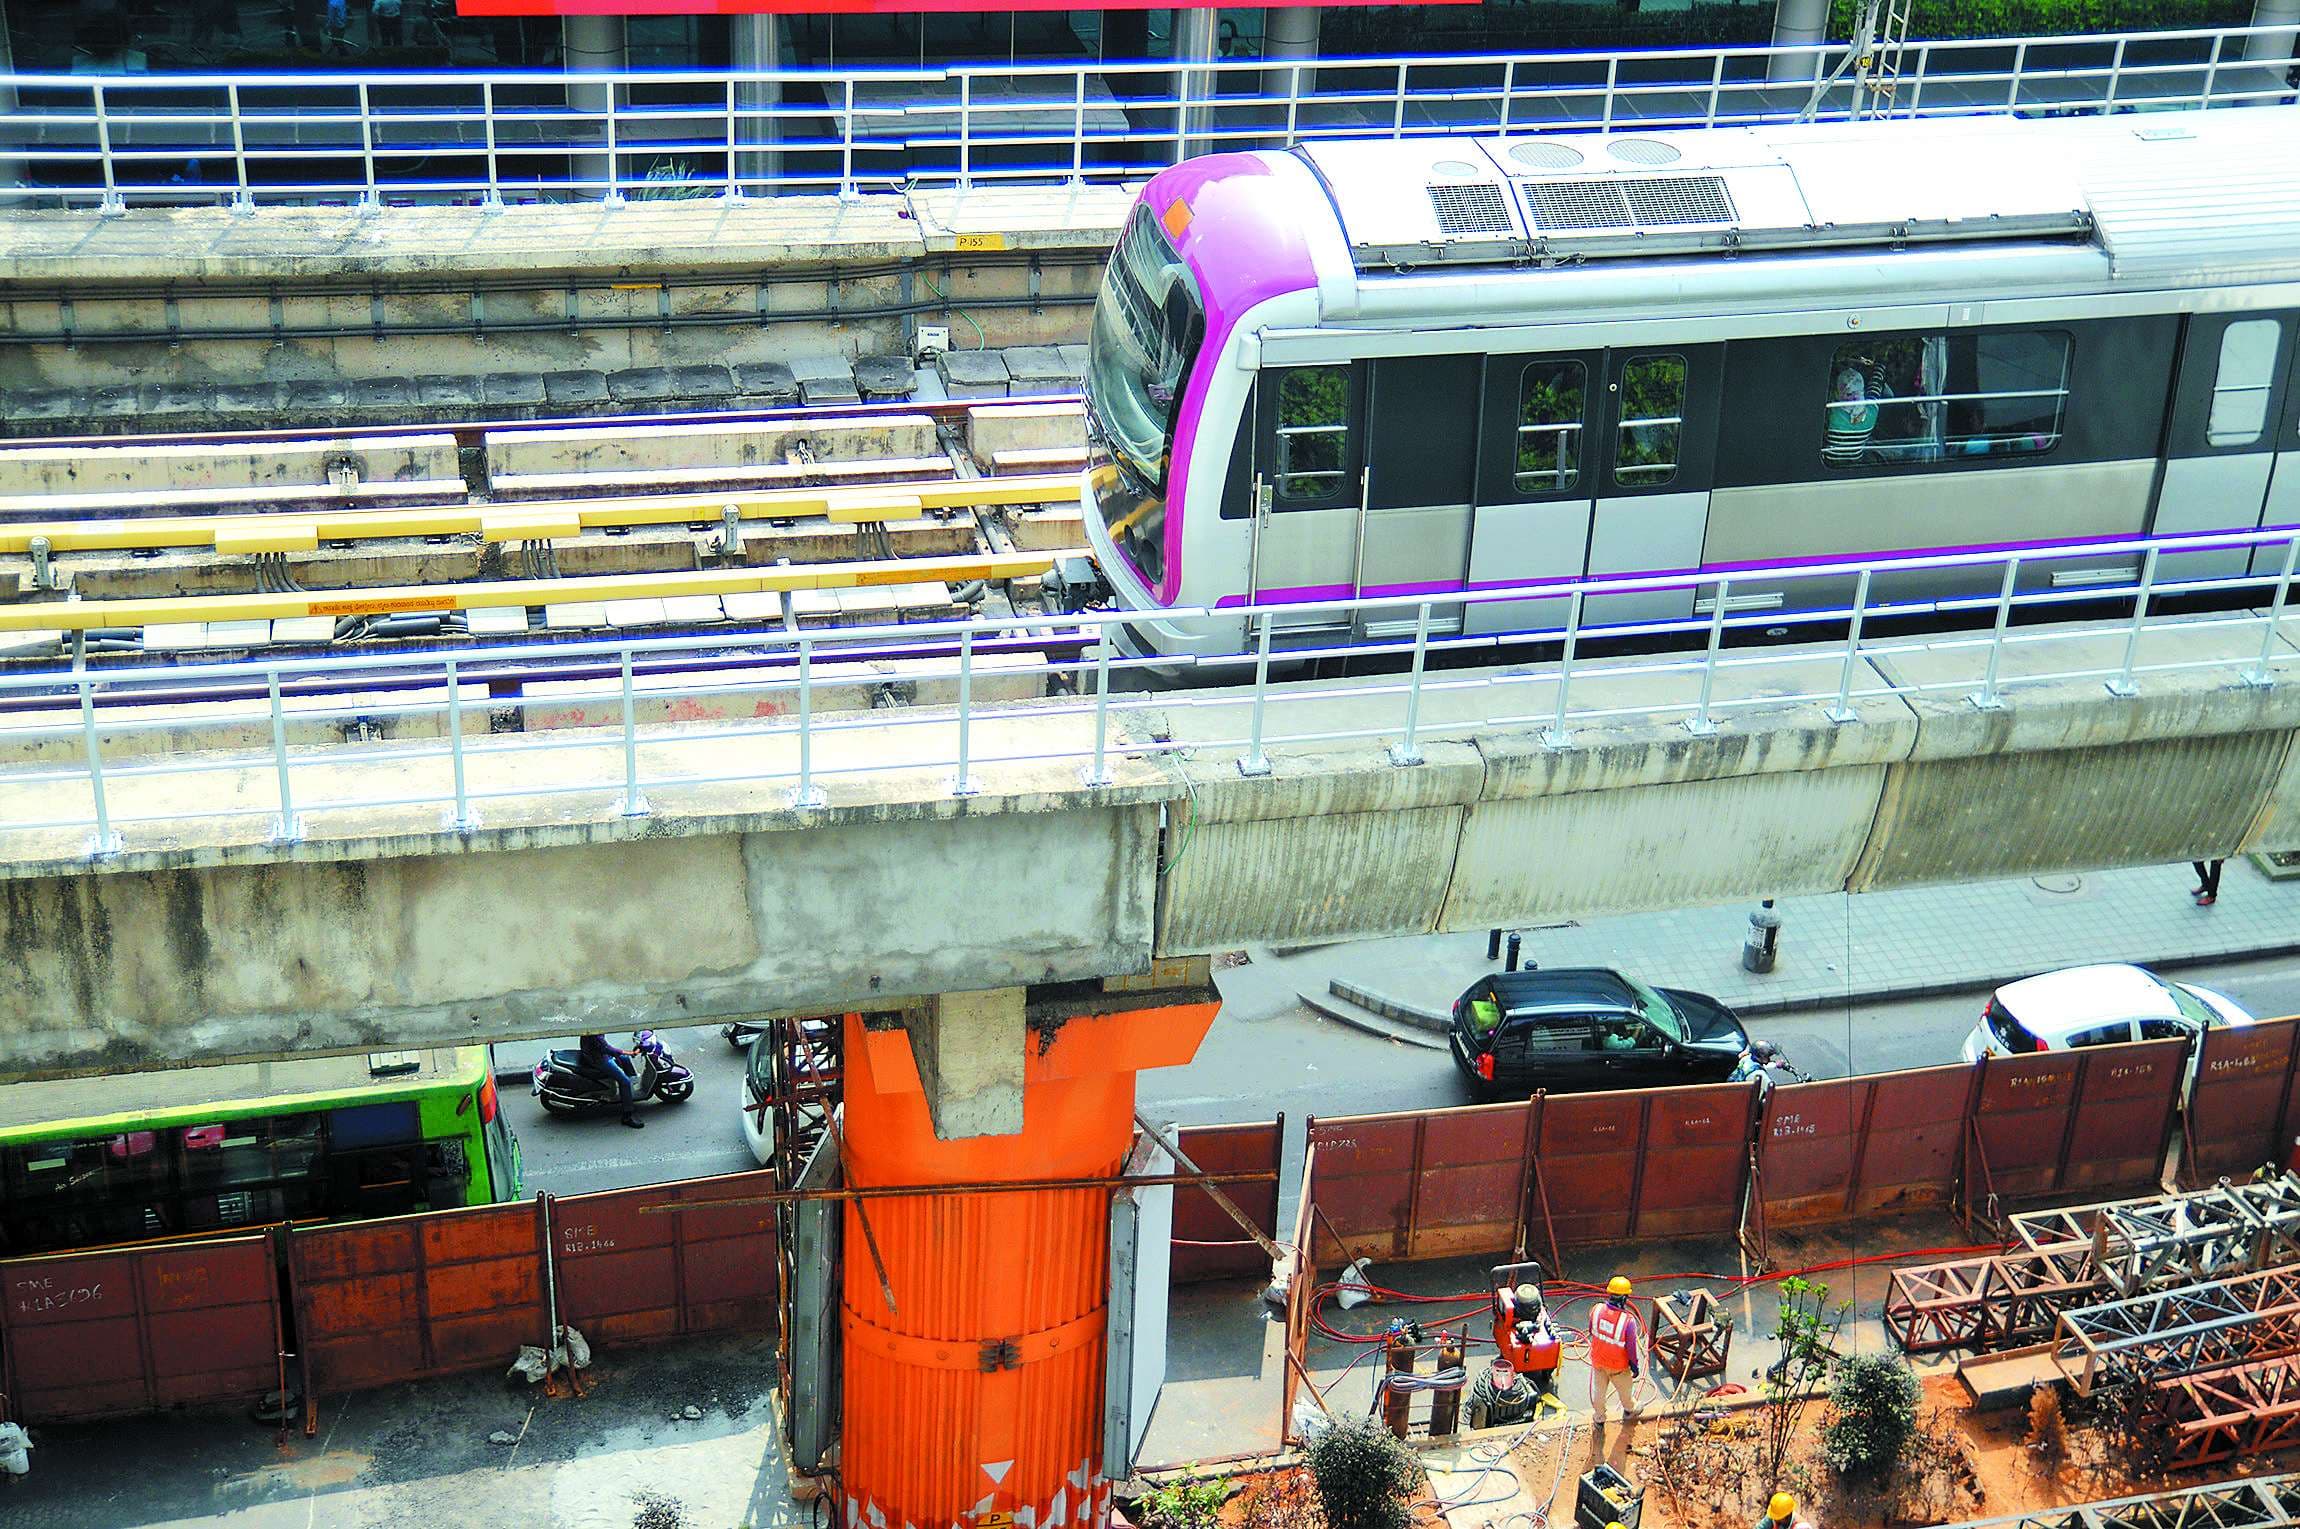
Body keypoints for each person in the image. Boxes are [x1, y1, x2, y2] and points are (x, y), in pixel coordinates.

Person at [1587, 1275, 1643, 1428]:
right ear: (1625, 1298)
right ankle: (1630, 1409)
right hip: (1618, 1367)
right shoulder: (1628, 1322)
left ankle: (1599, 1418)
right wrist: (1635, 1366)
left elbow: (1592, 1330)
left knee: (1598, 1393)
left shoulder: (1596, 1310)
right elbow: (1631, 1349)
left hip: (1598, 1362)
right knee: (1625, 1392)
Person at [578, 1032, 644, 1128]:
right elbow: (606, 1048)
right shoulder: (594, 1032)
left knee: (625, 1058)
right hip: (599, 1059)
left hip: (596, 1054)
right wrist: (630, 1053)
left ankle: (629, 1089)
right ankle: (627, 1115)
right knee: (625, 1081)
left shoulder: (592, 1026)